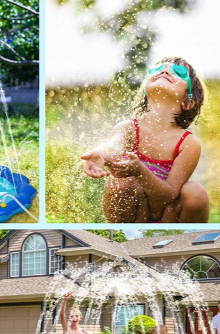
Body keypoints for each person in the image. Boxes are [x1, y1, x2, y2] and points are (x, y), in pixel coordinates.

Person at [81, 57, 209, 223]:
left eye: (179, 72)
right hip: (132, 218)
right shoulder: (129, 128)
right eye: (157, 69)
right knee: (121, 181)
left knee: (195, 192)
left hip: (166, 219)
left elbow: (168, 196)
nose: (164, 70)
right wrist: (101, 154)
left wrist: (140, 171)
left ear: (187, 102)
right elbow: (115, 145)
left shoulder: (188, 143)